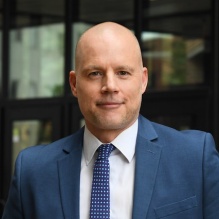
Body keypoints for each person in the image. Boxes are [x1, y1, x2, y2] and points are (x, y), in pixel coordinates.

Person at [2, 22, 219, 219]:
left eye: (123, 72)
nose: (110, 86)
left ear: (143, 81)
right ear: (74, 83)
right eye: (95, 73)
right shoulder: (33, 171)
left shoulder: (195, 158)